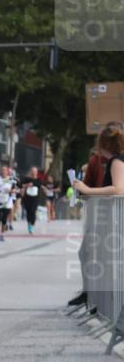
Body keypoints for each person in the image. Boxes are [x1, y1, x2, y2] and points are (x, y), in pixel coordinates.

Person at [67, 122, 124, 307]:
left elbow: (119, 189)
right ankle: (100, 300)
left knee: (107, 260)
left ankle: (102, 301)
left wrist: (88, 190)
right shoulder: (111, 161)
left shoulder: (116, 161)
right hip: (109, 217)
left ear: (106, 144)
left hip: (112, 219)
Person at [0, 165, 16, 242]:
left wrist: (10, 191)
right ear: (0, 171)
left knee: (4, 219)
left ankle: (2, 234)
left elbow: (15, 189)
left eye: (5, 170)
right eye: (2, 170)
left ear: (7, 171)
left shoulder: (10, 179)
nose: (3, 172)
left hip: (7, 202)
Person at [20, 166, 43, 233]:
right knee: (28, 212)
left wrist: (31, 184)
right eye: (32, 171)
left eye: (35, 171)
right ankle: (29, 224)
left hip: (35, 198)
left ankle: (32, 225)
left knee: (33, 211)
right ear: (31, 172)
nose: (34, 173)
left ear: (37, 172)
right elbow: (21, 185)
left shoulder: (38, 180)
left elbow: (38, 184)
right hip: (27, 198)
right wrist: (24, 188)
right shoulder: (26, 179)